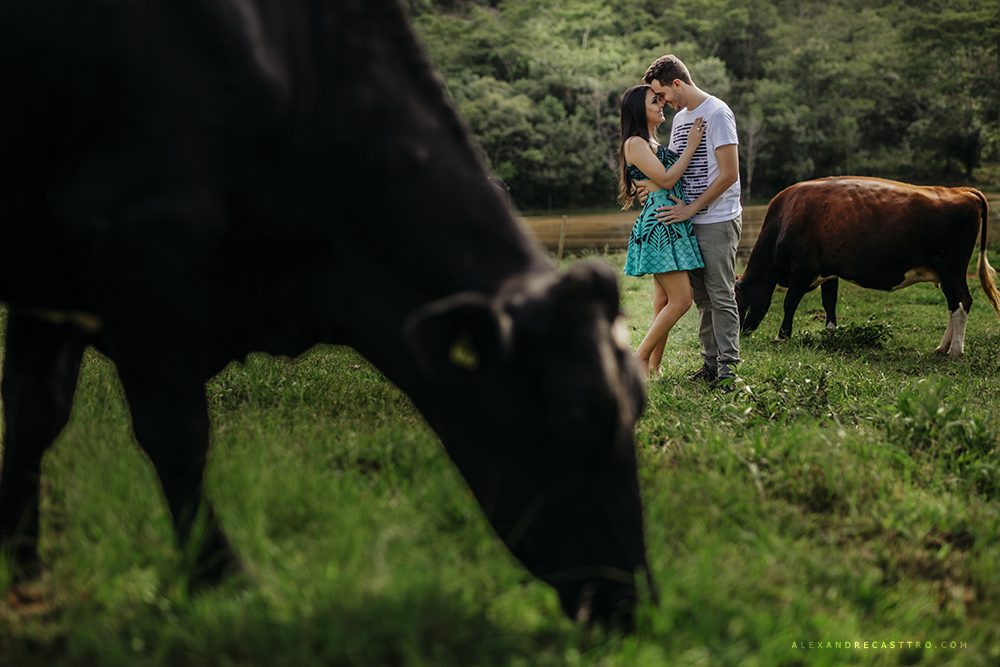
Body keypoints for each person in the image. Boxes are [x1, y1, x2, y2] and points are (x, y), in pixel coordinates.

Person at [641, 54, 743, 389]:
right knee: (702, 299)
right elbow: (676, 170)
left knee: (721, 296)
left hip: (717, 219)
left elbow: (729, 174)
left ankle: (728, 372)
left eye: (663, 94)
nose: (663, 102)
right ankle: (710, 364)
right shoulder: (681, 119)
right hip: (688, 223)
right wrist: (649, 188)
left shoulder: (717, 113)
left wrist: (691, 208)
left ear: (677, 83)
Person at [619, 84, 706, 379]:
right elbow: (667, 179)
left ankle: (654, 366)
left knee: (663, 300)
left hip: (671, 220)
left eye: (660, 99)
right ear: (638, 109)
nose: (661, 104)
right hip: (660, 224)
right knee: (682, 300)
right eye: (654, 101)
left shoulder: (650, 142)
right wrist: (691, 145)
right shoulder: (635, 143)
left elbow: (654, 180)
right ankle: (639, 359)